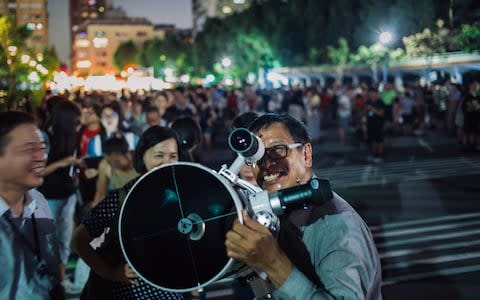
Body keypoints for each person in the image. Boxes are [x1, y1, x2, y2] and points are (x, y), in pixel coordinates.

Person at [225, 113, 382, 300]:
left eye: (277, 150)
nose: (266, 163)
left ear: (306, 154)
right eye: (255, 158)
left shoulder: (337, 228)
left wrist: (273, 263)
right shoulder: (278, 214)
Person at [72, 126, 183, 299]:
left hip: (171, 291)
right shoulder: (123, 197)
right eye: (159, 156)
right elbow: (79, 240)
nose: (167, 163)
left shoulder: (184, 193)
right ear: (142, 157)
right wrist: (111, 273)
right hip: (130, 293)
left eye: (173, 156)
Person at [0, 111, 63, 299]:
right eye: (29, 149)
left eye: (42, 147)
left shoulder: (39, 201)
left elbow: (53, 261)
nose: (41, 156)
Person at [37, 97, 83, 284]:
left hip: (68, 194)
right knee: (48, 243)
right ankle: (50, 284)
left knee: (64, 241)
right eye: (75, 120)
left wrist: (74, 172)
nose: (78, 124)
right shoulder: (44, 137)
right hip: (49, 197)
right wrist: (62, 163)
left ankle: (62, 282)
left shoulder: (70, 136)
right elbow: (38, 171)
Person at [90, 136, 138, 208]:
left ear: (114, 155)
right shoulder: (105, 165)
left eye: (107, 157)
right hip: (122, 207)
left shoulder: (139, 161)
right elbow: (100, 194)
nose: (106, 159)